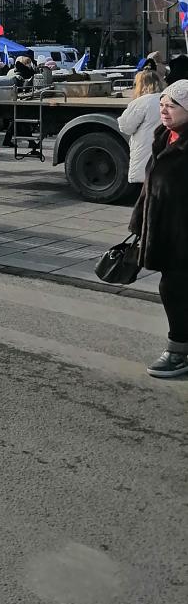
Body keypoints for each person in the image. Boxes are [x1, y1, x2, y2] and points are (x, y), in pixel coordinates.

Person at [130, 80, 188, 377]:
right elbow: (150, 185)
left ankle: (178, 352)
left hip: (183, 233)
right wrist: (139, 221)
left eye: (172, 105)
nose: (164, 110)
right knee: (172, 287)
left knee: (174, 289)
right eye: (162, 104)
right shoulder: (163, 135)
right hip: (164, 228)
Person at [117, 67, 163, 184]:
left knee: (146, 186)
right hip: (162, 149)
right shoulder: (166, 98)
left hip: (145, 150)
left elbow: (126, 127)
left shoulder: (141, 102)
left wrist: (120, 119)